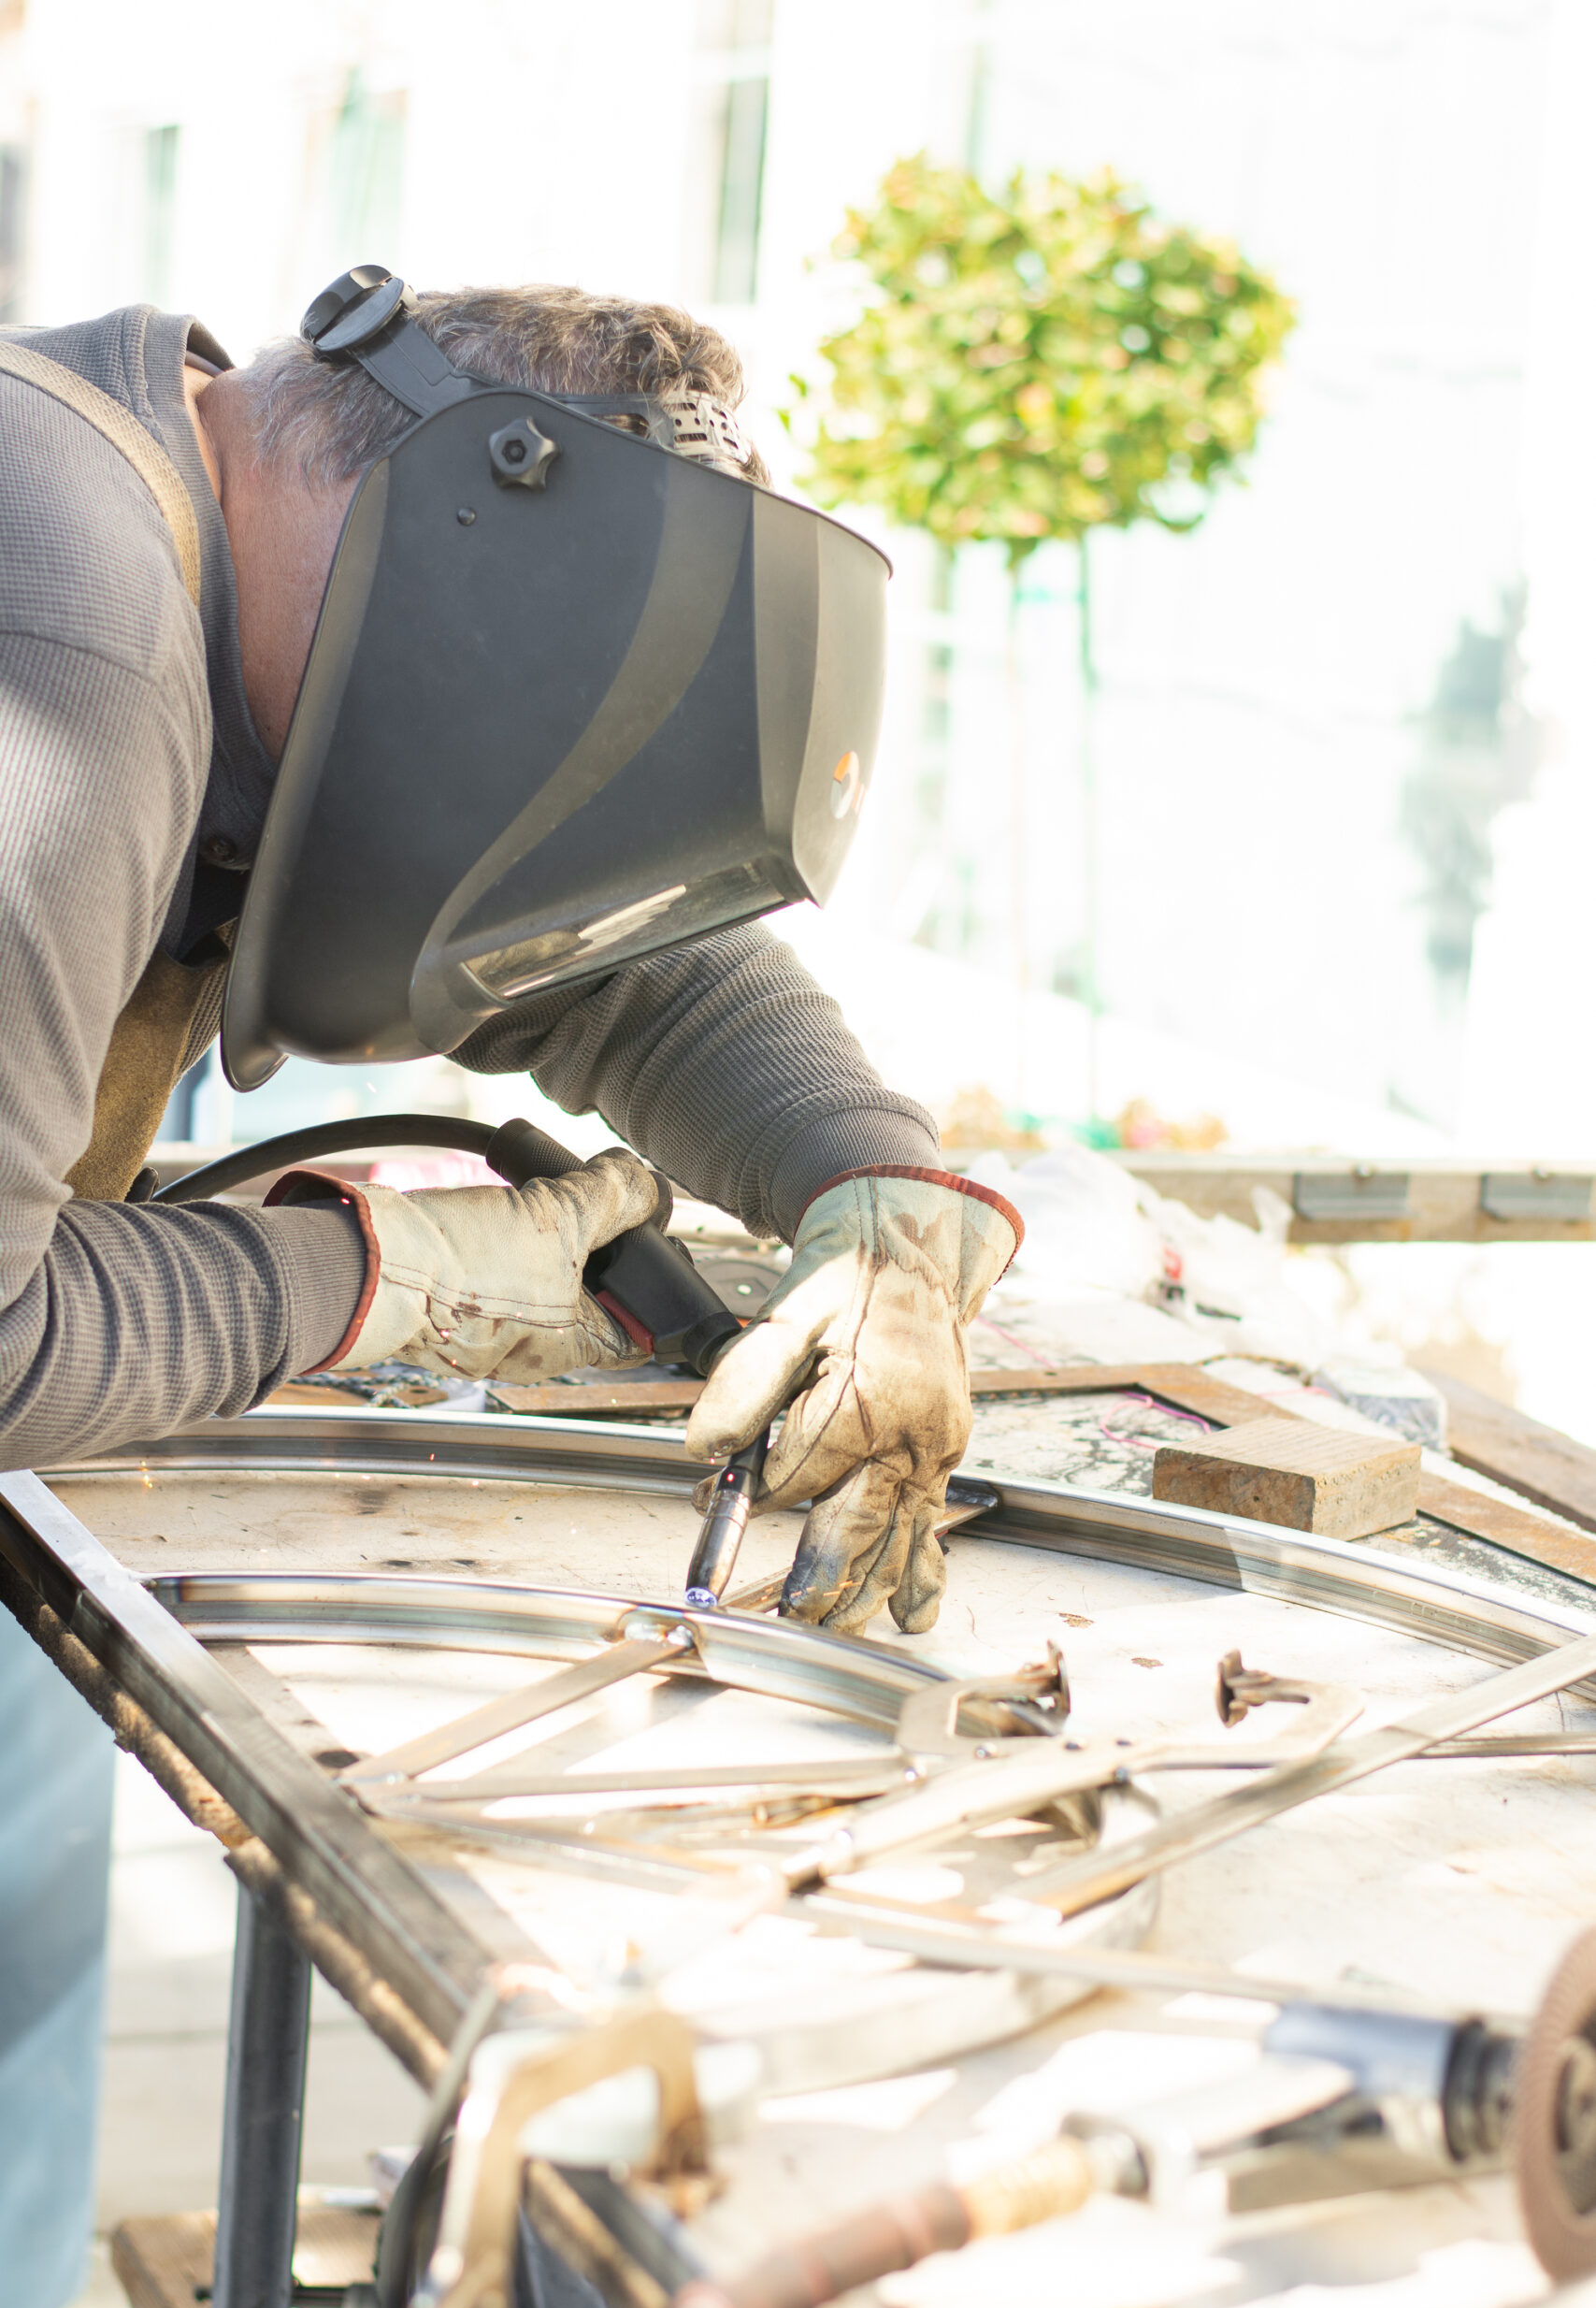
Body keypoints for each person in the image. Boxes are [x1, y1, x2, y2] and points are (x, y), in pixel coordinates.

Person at [0, 281, 1020, 1637]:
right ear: (461, 550)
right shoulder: (75, 639)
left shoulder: (190, 554)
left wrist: (871, 1188)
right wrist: (377, 1277)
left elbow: (613, 969)